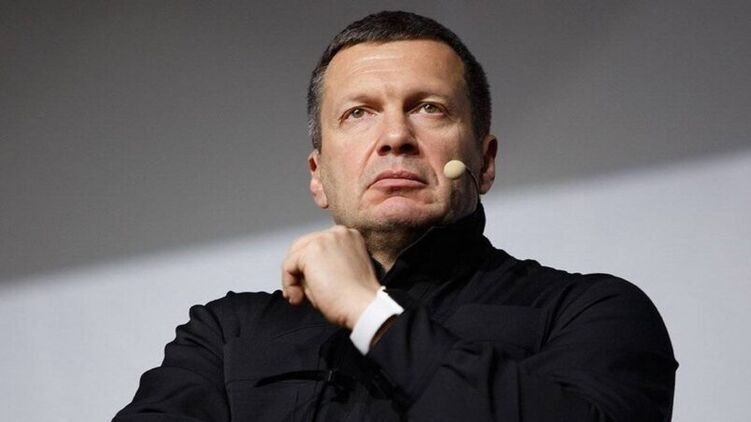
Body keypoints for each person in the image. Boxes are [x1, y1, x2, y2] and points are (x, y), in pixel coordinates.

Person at [114, 11, 677, 421]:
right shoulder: (226, 334)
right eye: (358, 113)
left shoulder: (589, 312)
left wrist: (371, 313)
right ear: (318, 174)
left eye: (428, 108)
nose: (395, 137)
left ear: (484, 161)